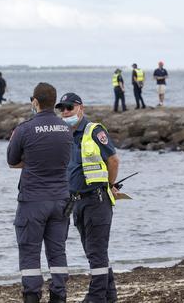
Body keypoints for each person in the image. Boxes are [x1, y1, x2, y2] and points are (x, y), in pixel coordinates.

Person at [6, 83, 73, 303]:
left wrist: (31, 160)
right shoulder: (66, 129)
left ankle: (33, 296)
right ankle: (59, 295)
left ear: (35, 102)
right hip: (61, 200)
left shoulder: (25, 129)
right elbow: (65, 160)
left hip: (33, 201)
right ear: (54, 102)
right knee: (57, 252)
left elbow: (12, 160)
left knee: (30, 253)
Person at [56, 92, 120, 303]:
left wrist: (109, 185)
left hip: (97, 199)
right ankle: (110, 296)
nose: (65, 112)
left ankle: (96, 297)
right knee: (94, 251)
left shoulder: (94, 130)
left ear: (80, 108)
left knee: (96, 252)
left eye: (69, 108)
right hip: (77, 201)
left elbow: (113, 160)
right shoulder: (65, 134)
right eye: (62, 108)